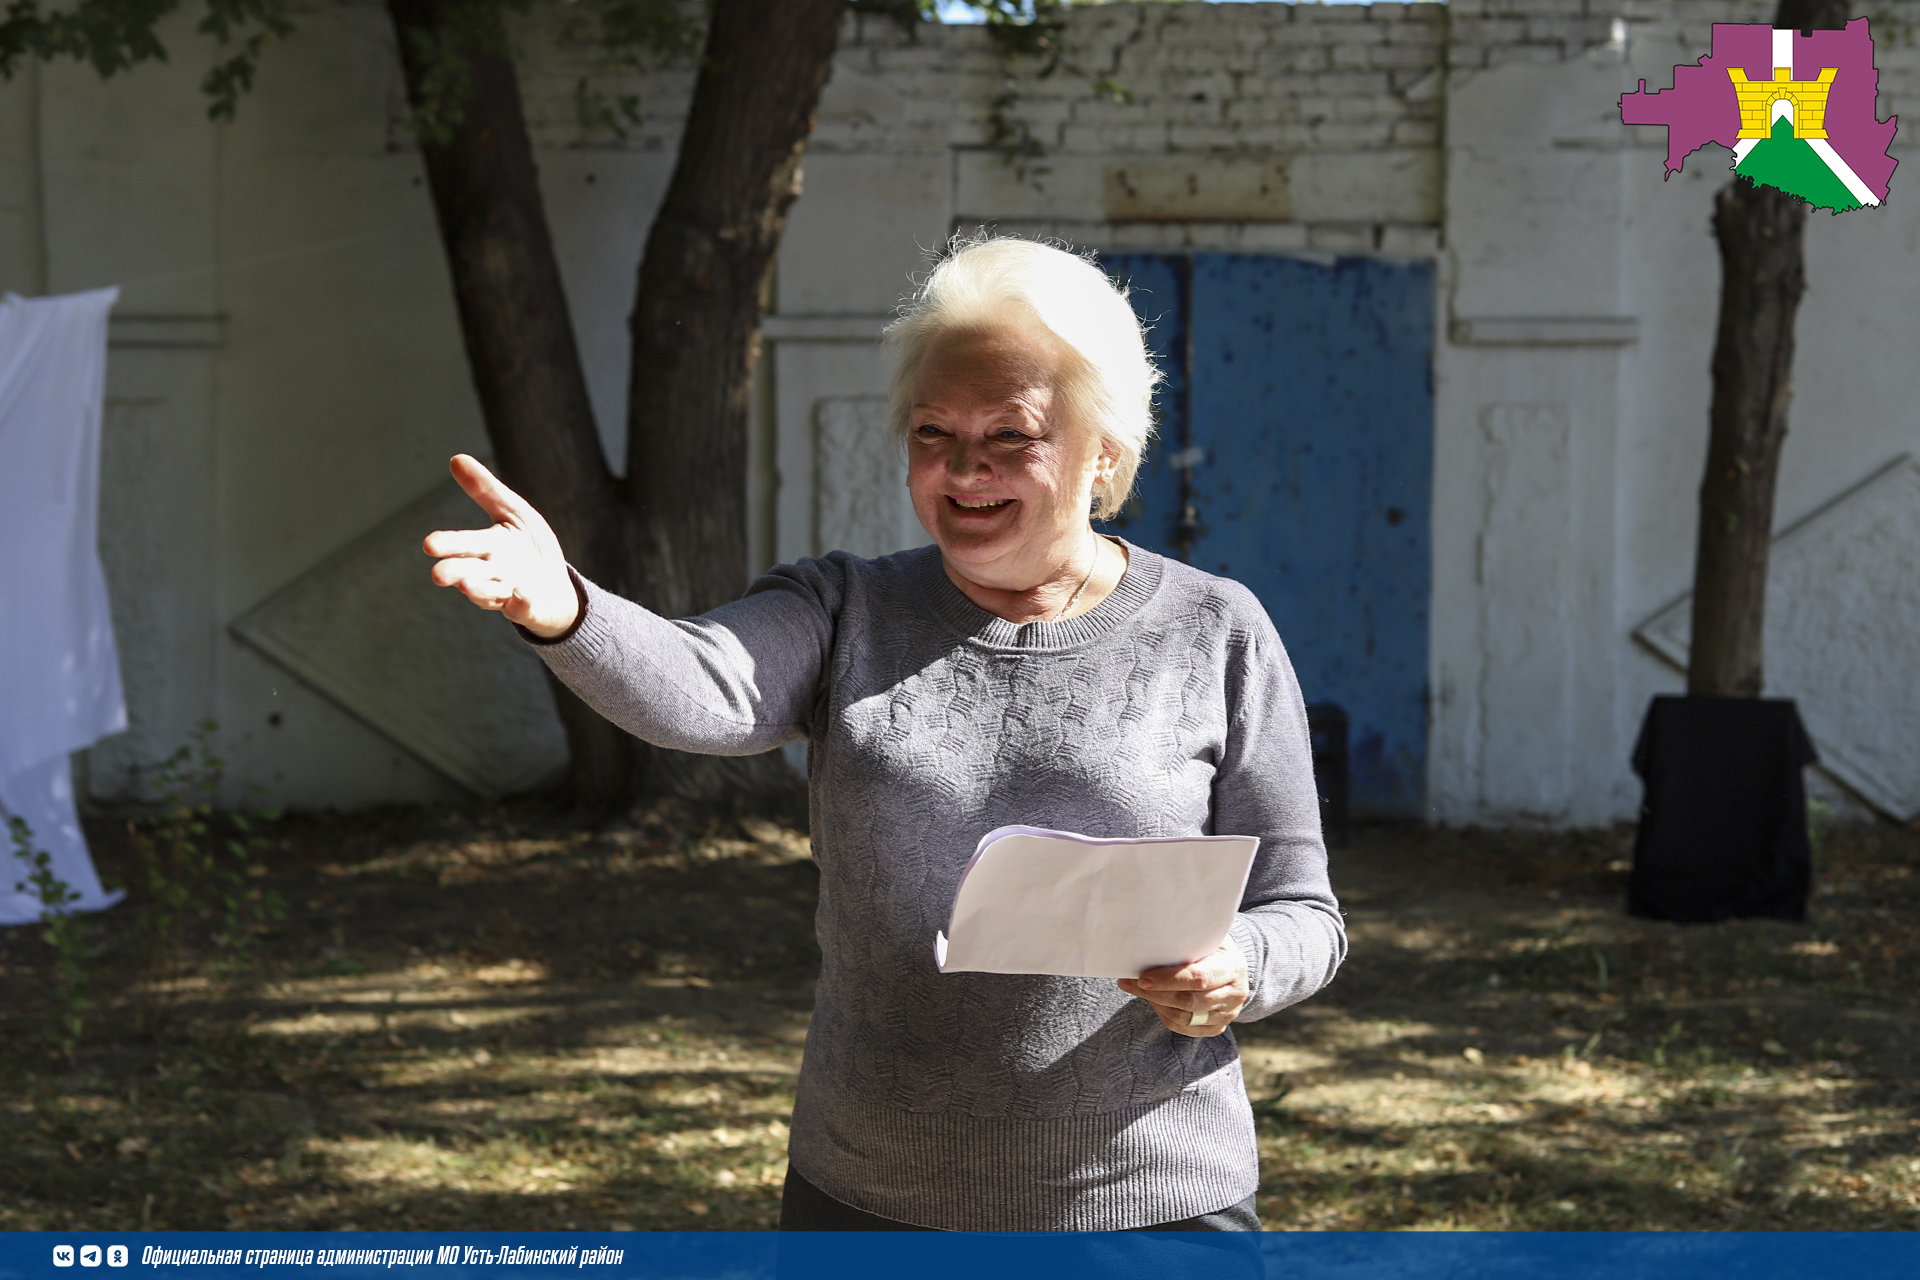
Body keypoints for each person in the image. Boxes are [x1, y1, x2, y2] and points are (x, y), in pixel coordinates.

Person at [424, 235, 1345, 1231]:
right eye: (933, 432)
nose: (963, 467)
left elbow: (1305, 911)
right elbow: (702, 681)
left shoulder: (1213, 628)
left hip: (1152, 1208)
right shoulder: (842, 606)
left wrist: (1238, 965)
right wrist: (562, 604)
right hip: (870, 1200)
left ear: (1105, 452)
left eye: (1010, 435)